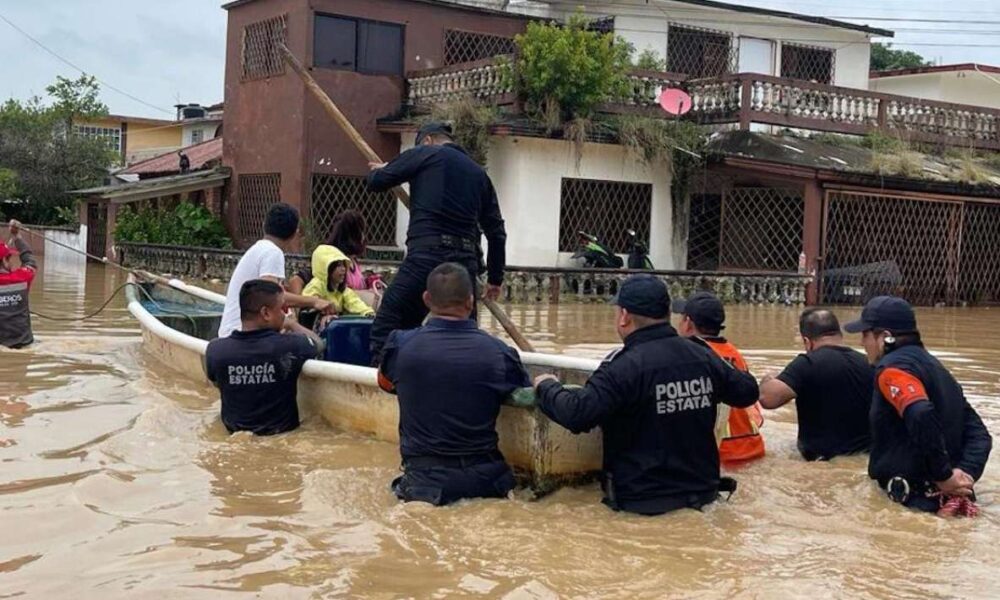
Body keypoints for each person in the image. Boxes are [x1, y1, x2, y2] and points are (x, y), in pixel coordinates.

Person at [533, 275, 760, 516]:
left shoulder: (622, 367)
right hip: (704, 500)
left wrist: (547, 386)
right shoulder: (703, 355)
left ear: (624, 316)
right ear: (667, 313)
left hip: (642, 507)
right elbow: (747, 391)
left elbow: (577, 413)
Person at [377, 263, 530, 506]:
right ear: (470, 301)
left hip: (424, 486)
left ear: (427, 299)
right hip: (489, 483)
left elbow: (384, 384)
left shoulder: (400, 345)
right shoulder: (500, 353)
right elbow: (522, 392)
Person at [367, 122, 507, 362]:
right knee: (463, 335)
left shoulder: (425, 153)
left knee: (390, 323)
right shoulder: (479, 174)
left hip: (427, 256)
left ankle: (386, 382)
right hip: (464, 264)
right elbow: (496, 232)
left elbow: (376, 181)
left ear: (428, 140)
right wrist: (495, 278)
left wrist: (386, 168)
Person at [845, 296, 992, 515]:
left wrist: (944, 476)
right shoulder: (940, 372)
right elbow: (980, 435)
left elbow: (920, 413)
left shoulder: (892, 370)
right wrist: (963, 477)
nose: (861, 343)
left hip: (909, 506)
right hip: (950, 506)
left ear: (885, 337)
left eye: (865, 334)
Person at [205, 279, 324, 435]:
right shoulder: (291, 346)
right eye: (282, 308)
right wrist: (291, 324)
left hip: (234, 439)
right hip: (282, 439)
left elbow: (217, 383)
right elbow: (318, 343)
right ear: (266, 313)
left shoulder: (216, 350)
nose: (283, 314)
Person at [758, 308, 874, 461]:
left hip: (820, 461)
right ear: (839, 334)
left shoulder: (807, 363)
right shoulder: (868, 362)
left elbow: (767, 398)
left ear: (807, 341)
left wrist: (767, 379)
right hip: (865, 457)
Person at [673, 292, 766, 464]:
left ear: (688, 323)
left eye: (681, 317)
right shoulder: (734, 353)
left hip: (720, 453)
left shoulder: (686, 356)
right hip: (753, 446)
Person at [218, 203, 331, 338]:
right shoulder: (273, 253)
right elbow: (270, 297)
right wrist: (314, 301)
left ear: (264, 224)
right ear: (295, 233)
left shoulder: (260, 249)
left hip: (235, 331)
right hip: (241, 334)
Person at [288, 210, 373, 294]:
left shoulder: (353, 262)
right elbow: (296, 280)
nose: (363, 237)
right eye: (362, 232)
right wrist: (303, 303)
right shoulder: (331, 259)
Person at [301, 245, 375, 324]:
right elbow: (307, 305)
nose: (343, 269)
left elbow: (355, 302)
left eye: (344, 265)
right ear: (326, 268)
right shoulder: (316, 285)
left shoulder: (342, 289)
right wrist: (321, 315)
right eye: (338, 265)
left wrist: (369, 313)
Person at [0, 220, 38, 349]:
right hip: (24, 346)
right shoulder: (21, 278)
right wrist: (17, 237)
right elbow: (30, 261)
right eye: (9, 258)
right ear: (4, 260)